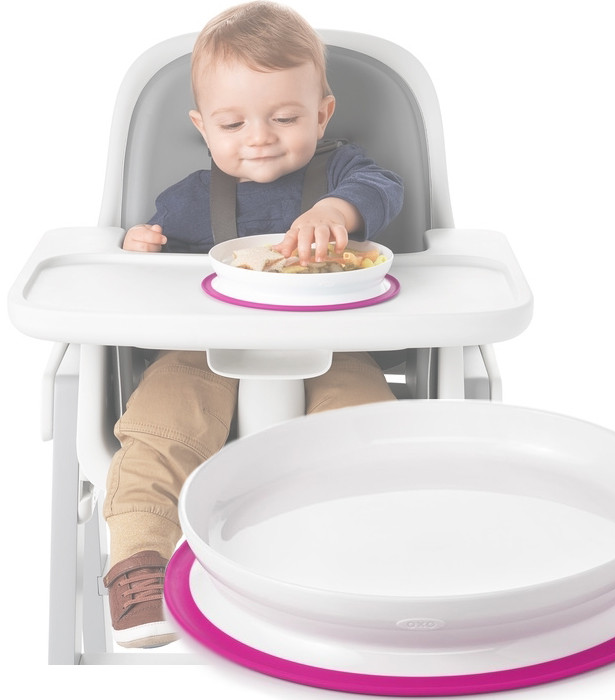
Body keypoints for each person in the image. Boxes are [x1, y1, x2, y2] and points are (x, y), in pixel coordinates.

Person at [102, 0, 404, 649]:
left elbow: (383, 190)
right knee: (158, 430)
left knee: (363, 432)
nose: (260, 137)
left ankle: (359, 561)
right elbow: (156, 275)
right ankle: (139, 565)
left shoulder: (345, 172)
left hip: (332, 346)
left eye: (285, 118)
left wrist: (336, 211)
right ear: (202, 126)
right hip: (203, 351)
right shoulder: (189, 198)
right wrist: (138, 248)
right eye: (233, 123)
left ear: (321, 114)